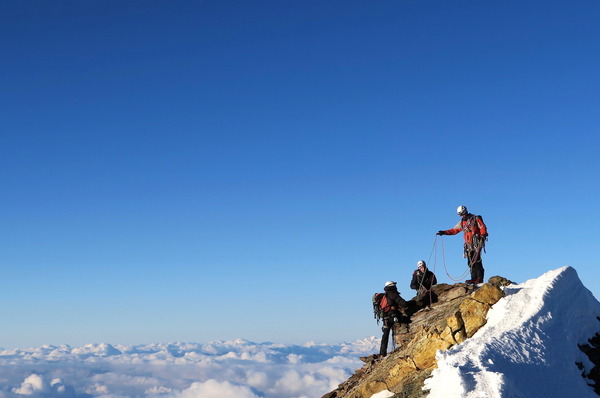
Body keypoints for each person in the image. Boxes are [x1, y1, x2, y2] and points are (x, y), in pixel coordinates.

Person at [436, 205, 488, 284]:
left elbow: (482, 227)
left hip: (476, 242)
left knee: (476, 260)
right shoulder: (462, 222)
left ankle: (479, 278)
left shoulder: (475, 218)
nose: (463, 215)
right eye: (461, 214)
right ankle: (473, 278)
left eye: (463, 213)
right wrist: (443, 232)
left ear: (466, 211)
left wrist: (483, 235)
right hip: (468, 244)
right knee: (470, 261)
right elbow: (454, 230)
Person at [378, 281, 408, 358]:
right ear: (392, 286)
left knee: (385, 335)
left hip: (385, 319)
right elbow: (404, 304)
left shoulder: (385, 296)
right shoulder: (393, 294)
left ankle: (382, 353)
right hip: (393, 317)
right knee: (409, 320)